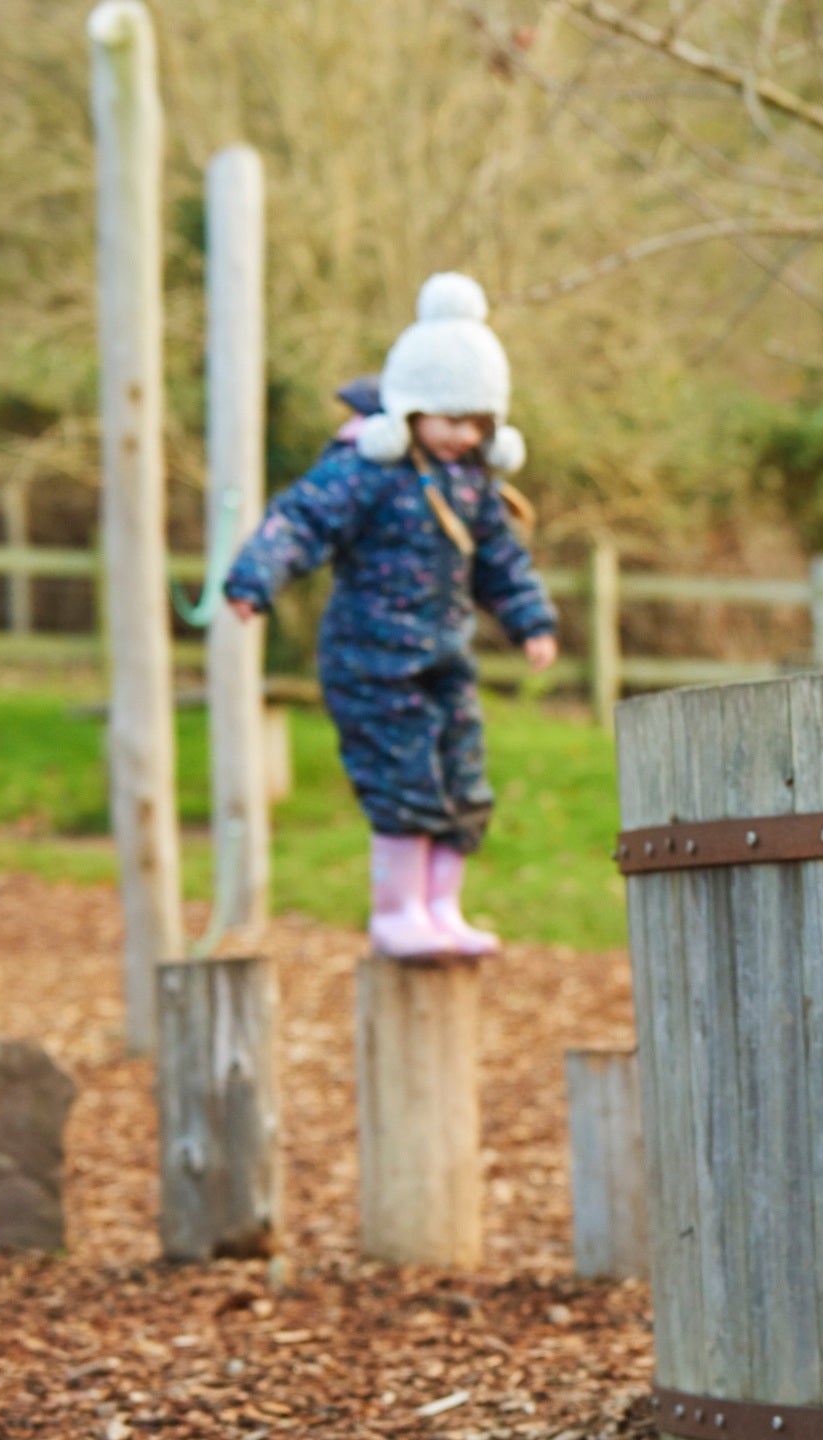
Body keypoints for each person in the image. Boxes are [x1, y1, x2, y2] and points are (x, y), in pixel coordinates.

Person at [224, 273, 558, 959]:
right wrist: (256, 577)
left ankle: (442, 907)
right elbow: (300, 520)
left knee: (462, 773)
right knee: (402, 777)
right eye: (451, 419)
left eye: (478, 423)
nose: (465, 435)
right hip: (371, 660)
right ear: (410, 409)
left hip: (444, 654)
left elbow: (501, 560)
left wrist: (531, 621)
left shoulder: (470, 484)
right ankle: (397, 910)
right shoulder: (365, 470)